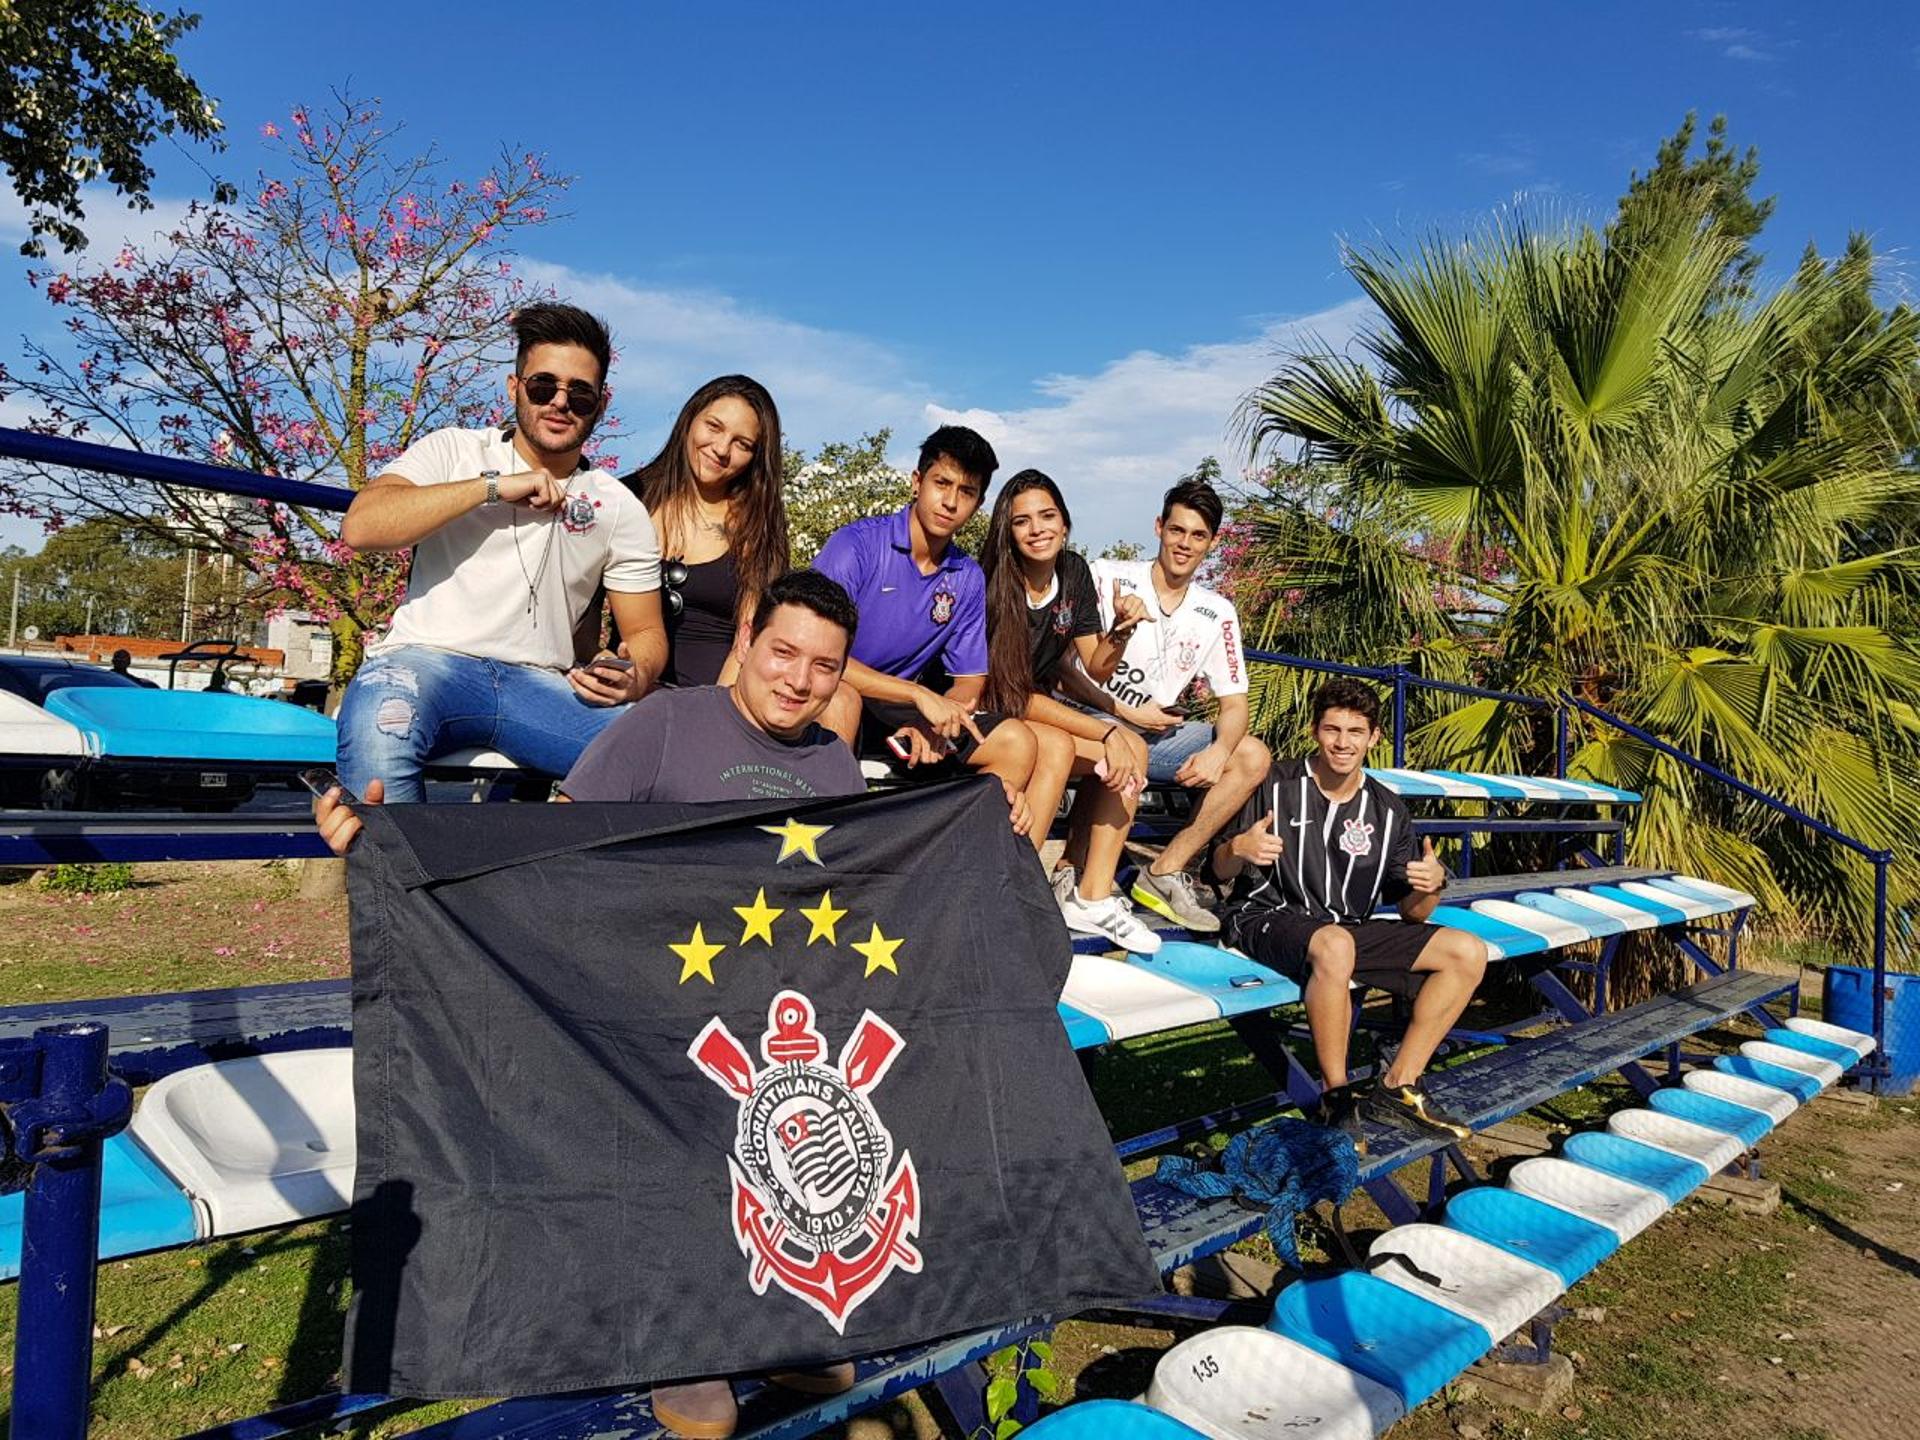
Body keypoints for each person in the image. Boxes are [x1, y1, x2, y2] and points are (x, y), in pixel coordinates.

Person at [314, 569, 1026, 1439]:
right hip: (648, 1013)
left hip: (771, 1019)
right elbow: (545, 849)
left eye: (825, 667)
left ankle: (773, 1323)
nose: (798, 681)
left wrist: (989, 837)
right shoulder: (662, 723)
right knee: (661, 1121)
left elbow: (845, 899)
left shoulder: (835, 760)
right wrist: (390, 845)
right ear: (748, 640)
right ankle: (682, 1341)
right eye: (783, 653)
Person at [333, 303, 666, 803]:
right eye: (542, 386)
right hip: (425, 663)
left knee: (661, 760)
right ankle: (408, 885)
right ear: (514, 389)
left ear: (600, 403)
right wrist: (493, 487)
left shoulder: (617, 506)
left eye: (580, 393)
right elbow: (362, 526)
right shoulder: (455, 451)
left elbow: (644, 633)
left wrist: (635, 676)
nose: (560, 402)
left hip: (542, 685)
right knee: (381, 742)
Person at [1210, 678, 1489, 1142]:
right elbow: (1217, 869)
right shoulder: (1273, 783)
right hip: (1265, 916)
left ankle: (1398, 1086)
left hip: (1344, 929)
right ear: (1315, 731)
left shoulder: (1388, 808)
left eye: (1355, 732)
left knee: (1466, 951)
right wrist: (1240, 846)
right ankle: (1336, 1098)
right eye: (1332, 729)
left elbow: (1415, 913)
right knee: (1336, 945)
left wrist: (1431, 884)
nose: (1343, 743)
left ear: (1373, 737)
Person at [1057, 478, 1270, 934]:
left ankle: (1165, 870)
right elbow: (1062, 667)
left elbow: (1235, 703)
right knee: (1126, 744)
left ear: (1211, 544)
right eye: (1177, 530)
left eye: (1197, 536)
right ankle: (1080, 879)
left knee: (1251, 754)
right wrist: (1125, 712)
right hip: (1087, 720)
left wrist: (1218, 752)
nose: (1184, 544)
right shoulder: (1107, 576)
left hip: (1155, 734)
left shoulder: (1218, 610)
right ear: (1158, 527)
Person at [977, 469, 1159, 954]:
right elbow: (1012, 693)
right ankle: (1014, 891)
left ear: (1064, 522)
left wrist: (1122, 629)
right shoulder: (996, 585)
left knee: (1133, 750)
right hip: (991, 710)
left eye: (1047, 516)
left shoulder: (1073, 572)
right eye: (1022, 521)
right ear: (1007, 531)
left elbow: (1097, 667)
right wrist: (1104, 733)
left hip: (1032, 706)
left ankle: (1092, 897)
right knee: (1067, 745)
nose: (1037, 529)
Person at [811, 425, 1038, 808]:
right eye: (941, 483)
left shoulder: (966, 576)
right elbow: (815, 654)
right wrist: (919, 696)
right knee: (842, 700)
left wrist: (935, 721)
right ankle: (829, 851)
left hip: (894, 709)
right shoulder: (858, 545)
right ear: (917, 482)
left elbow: (969, 681)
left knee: (1018, 742)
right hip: (831, 692)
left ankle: (954, 861)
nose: (950, 501)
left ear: (978, 504)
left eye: (965, 492)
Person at [609, 375, 788, 688]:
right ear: (690, 419)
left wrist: (711, 717)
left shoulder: (757, 527)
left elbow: (745, 646)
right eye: (714, 427)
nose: (721, 449)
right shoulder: (627, 497)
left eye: (742, 444)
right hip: (623, 691)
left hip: (710, 701)